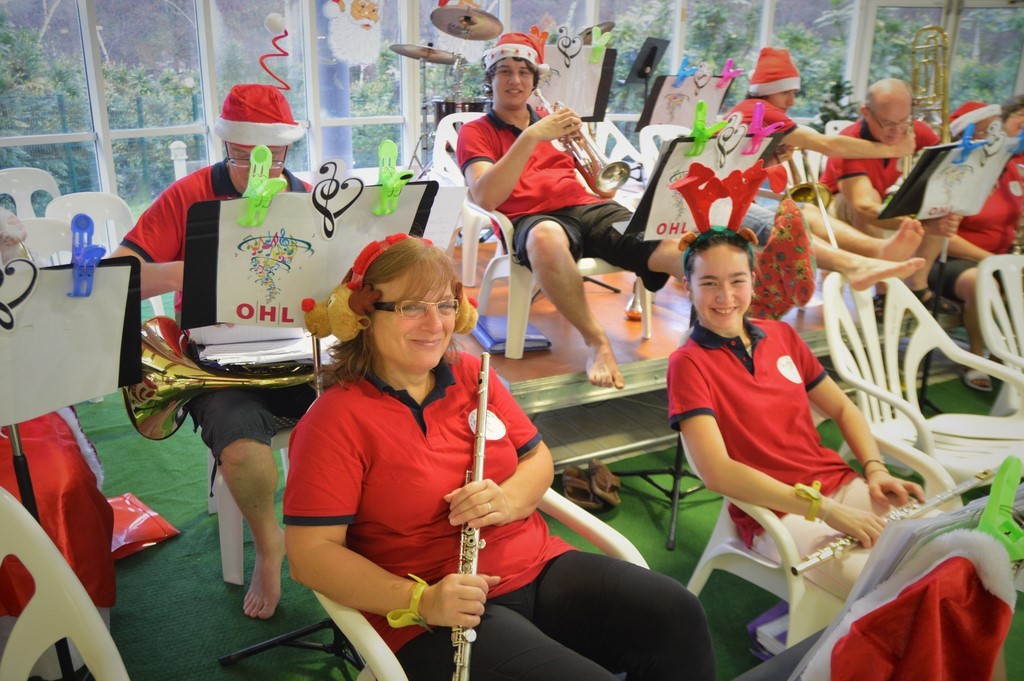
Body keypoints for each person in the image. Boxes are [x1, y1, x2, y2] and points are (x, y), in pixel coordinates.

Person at [283, 234, 715, 681]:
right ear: (366, 315)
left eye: (446, 305)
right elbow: (311, 554)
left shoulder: (473, 373)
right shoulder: (333, 420)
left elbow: (537, 459)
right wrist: (421, 601)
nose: (435, 324)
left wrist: (507, 501)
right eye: (412, 307)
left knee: (676, 615)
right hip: (433, 610)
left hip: (536, 565)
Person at [666, 164, 925, 598]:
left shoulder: (782, 335)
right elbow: (717, 472)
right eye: (709, 283)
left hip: (837, 482)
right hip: (779, 513)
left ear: (753, 281)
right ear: (687, 286)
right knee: (886, 585)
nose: (725, 297)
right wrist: (823, 511)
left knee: (936, 544)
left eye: (737, 281)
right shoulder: (687, 363)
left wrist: (875, 469)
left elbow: (842, 407)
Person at [112, 83, 316, 619]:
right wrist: (196, 268)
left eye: (273, 159)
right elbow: (120, 269)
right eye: (245, 158)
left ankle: (337, 523)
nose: (260, 171)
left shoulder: (308, 194)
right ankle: (269, 545)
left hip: (296, 351)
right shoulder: (189, 193)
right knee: (242, 444)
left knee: (372, 404)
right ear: (227, 147)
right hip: (217, 363)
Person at [456, 31, 690, 390]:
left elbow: (601, 187)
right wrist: (531, 136)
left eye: (523, 71)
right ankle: (597, 342)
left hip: (586, 207)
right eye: (504, 71)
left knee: (671, 243)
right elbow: (485, 196)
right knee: (547, 237)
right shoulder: (476, 131)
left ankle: (706, 336)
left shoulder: (554, 122)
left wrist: (583, 143)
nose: (515, 80)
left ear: (535, 79)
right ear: (490, 80)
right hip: (531, 219)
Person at [727, 49, 929, 294]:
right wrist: (894, 149)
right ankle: (856, 264)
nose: (792, 101)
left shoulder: (753, 110)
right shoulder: (759, 108)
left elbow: (745, 167)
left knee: (807, 211)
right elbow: (828, 145)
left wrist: (771, 156)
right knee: (787, 222)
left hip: (735, 200)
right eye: (786, 93)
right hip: (724, 206)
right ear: (766, 90)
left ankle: (878, 249)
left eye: (794, 93)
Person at [820, 78, 964, 314]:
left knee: (939, 204)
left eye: (904, 121)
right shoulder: (850, 140)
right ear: (865, 112)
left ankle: (917, 284)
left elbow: (945, 172)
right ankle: (883, 293)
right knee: (871, 198)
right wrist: (922, 221)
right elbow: (864, 207)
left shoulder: (915, 129)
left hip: (882, 204)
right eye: (887, 123)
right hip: (837, 211)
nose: (897, 131)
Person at [926, 99, 1024, 391]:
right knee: (983, 284)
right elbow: (940, 235)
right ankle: (975, 357)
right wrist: (991, 261)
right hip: (948, 259)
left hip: (997, 257)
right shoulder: (955, 170)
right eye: (984, 131)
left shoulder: (1009, 169)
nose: (991, 137)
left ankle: (1000, 355)